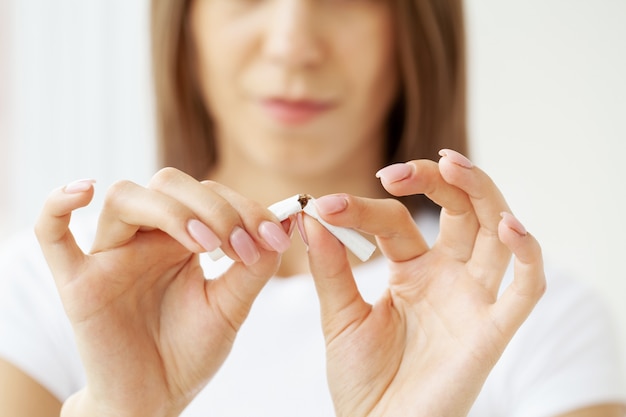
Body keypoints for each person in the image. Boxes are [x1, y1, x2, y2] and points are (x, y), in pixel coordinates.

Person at [0, 0, 624, 416]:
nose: (293, 45)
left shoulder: (527, 316)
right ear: (185, 21)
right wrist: (119, 409)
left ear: (413, 25)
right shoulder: (51, 286)